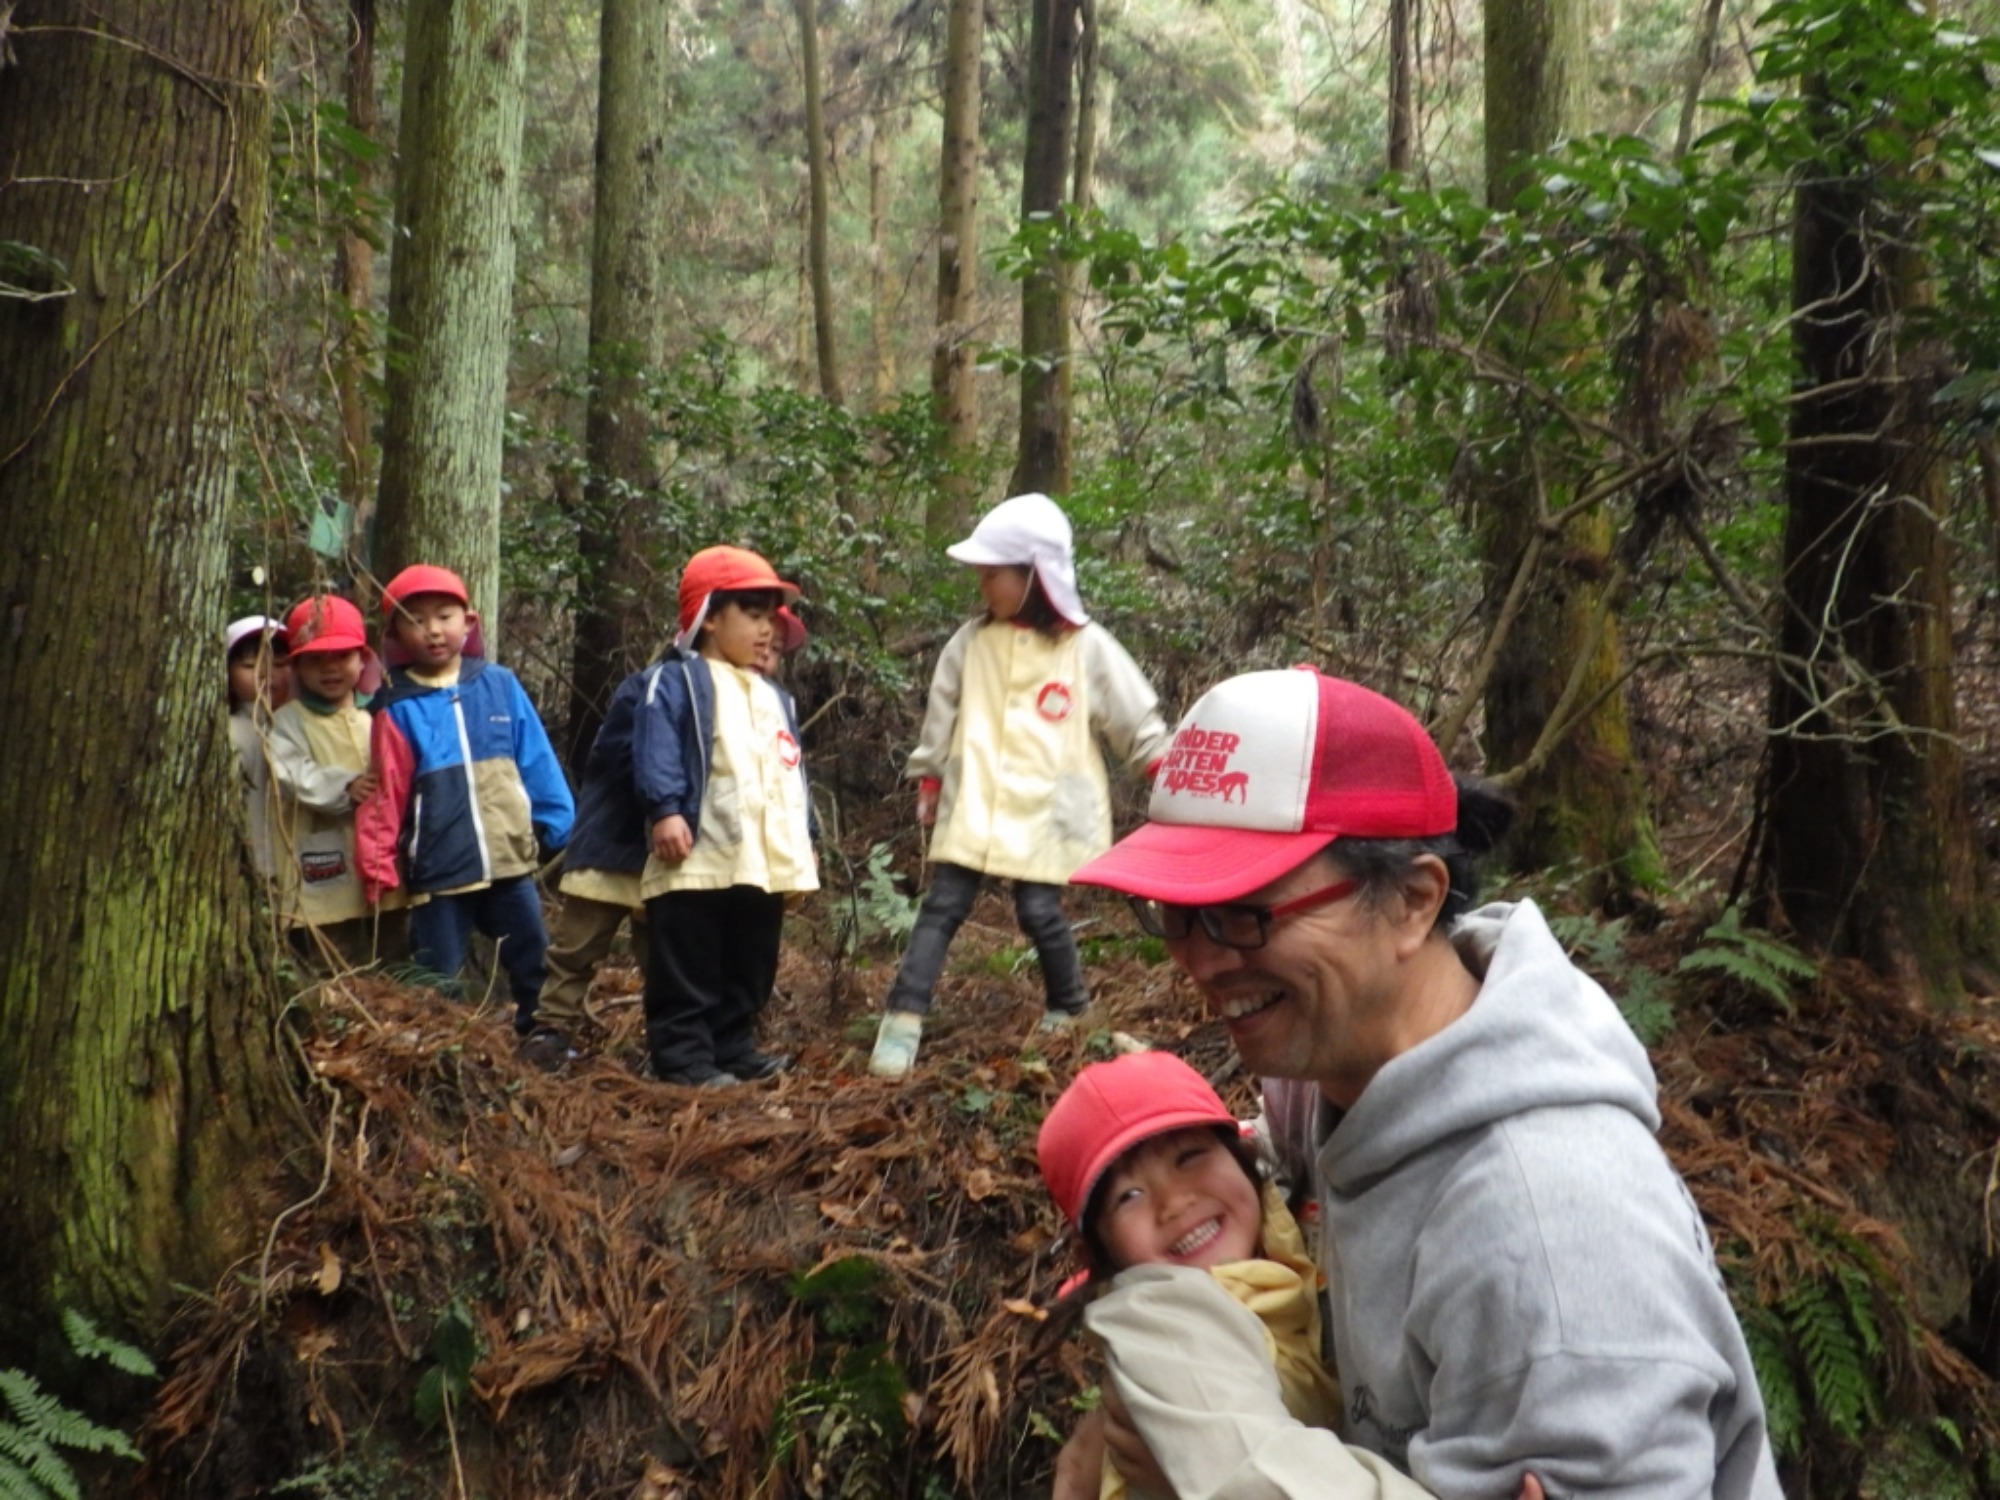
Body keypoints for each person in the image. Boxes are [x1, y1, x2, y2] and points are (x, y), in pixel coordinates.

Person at [1057, 665, 1782, 1499]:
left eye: (1243, 911)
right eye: (1174, 913)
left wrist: (1213, 1467)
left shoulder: (1546, 1233)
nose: (1198, 958)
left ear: (1411, 900)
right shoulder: (1324, 1080)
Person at [1038, 1050, 1445, 1500]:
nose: (1174, 1202)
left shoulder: (1284, 1257)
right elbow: (1261, 1479)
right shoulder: (1164, 1325)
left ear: (1243, 1156)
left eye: (1189, 1157)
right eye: (1128, 1195)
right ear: (1098, 1249)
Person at [867, 493, 1170, 1080]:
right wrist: (930, 772)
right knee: (943, 905)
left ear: (1035, 578)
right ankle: (902, 1021)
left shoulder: (1086, 647)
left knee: (1039, 909)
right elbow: (942, 711)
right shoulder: (970, 642)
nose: (983, 588)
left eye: (993, 576)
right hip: (976, 795)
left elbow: (1132, 716)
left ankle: (1069, 1006)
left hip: (1048, 804)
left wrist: (1159, 764)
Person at [357, 565, 575, 1065]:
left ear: (469, 621)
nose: (433, 629)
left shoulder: (498, 684)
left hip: (507, 861)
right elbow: (385, 792)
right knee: (438, 970)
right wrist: (377, 864)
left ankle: (543, 1038)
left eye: (445, 616)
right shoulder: (395, 707)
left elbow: (535, 755)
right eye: (416, 620)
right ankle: (447, 1051)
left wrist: (558, 819)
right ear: (395, 636)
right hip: (438, 868)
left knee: (531, 952)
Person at [632, 546, 818, 1088]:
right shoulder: (676, 681)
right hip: (697, 852)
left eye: (771, 617)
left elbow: (792, 770)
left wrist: (805, 835)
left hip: (761, 859)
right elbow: (657, 747)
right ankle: (682, 1057)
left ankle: (733, 1045)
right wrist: (665, 809)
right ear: (709, 616)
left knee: (751, 958)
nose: (768, 630)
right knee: (688, 959)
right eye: (753, 615)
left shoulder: (774, 694)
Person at [266, 594, 405, 968]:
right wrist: (344, 786)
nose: (330, 669)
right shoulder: (288, 720)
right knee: (330, 948)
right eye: (315, 660)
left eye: (341, 656)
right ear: (297, 667)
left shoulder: (376, 715)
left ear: (363, 659)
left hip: (380, 854)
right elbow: (289, 769)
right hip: (321, 850)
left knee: (388, 943)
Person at [225, 613, 289, 881]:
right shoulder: (231, 733)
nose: (266, 674)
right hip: (256, 870)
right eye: (250, 665)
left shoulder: (301, 725)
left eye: (280, 663)